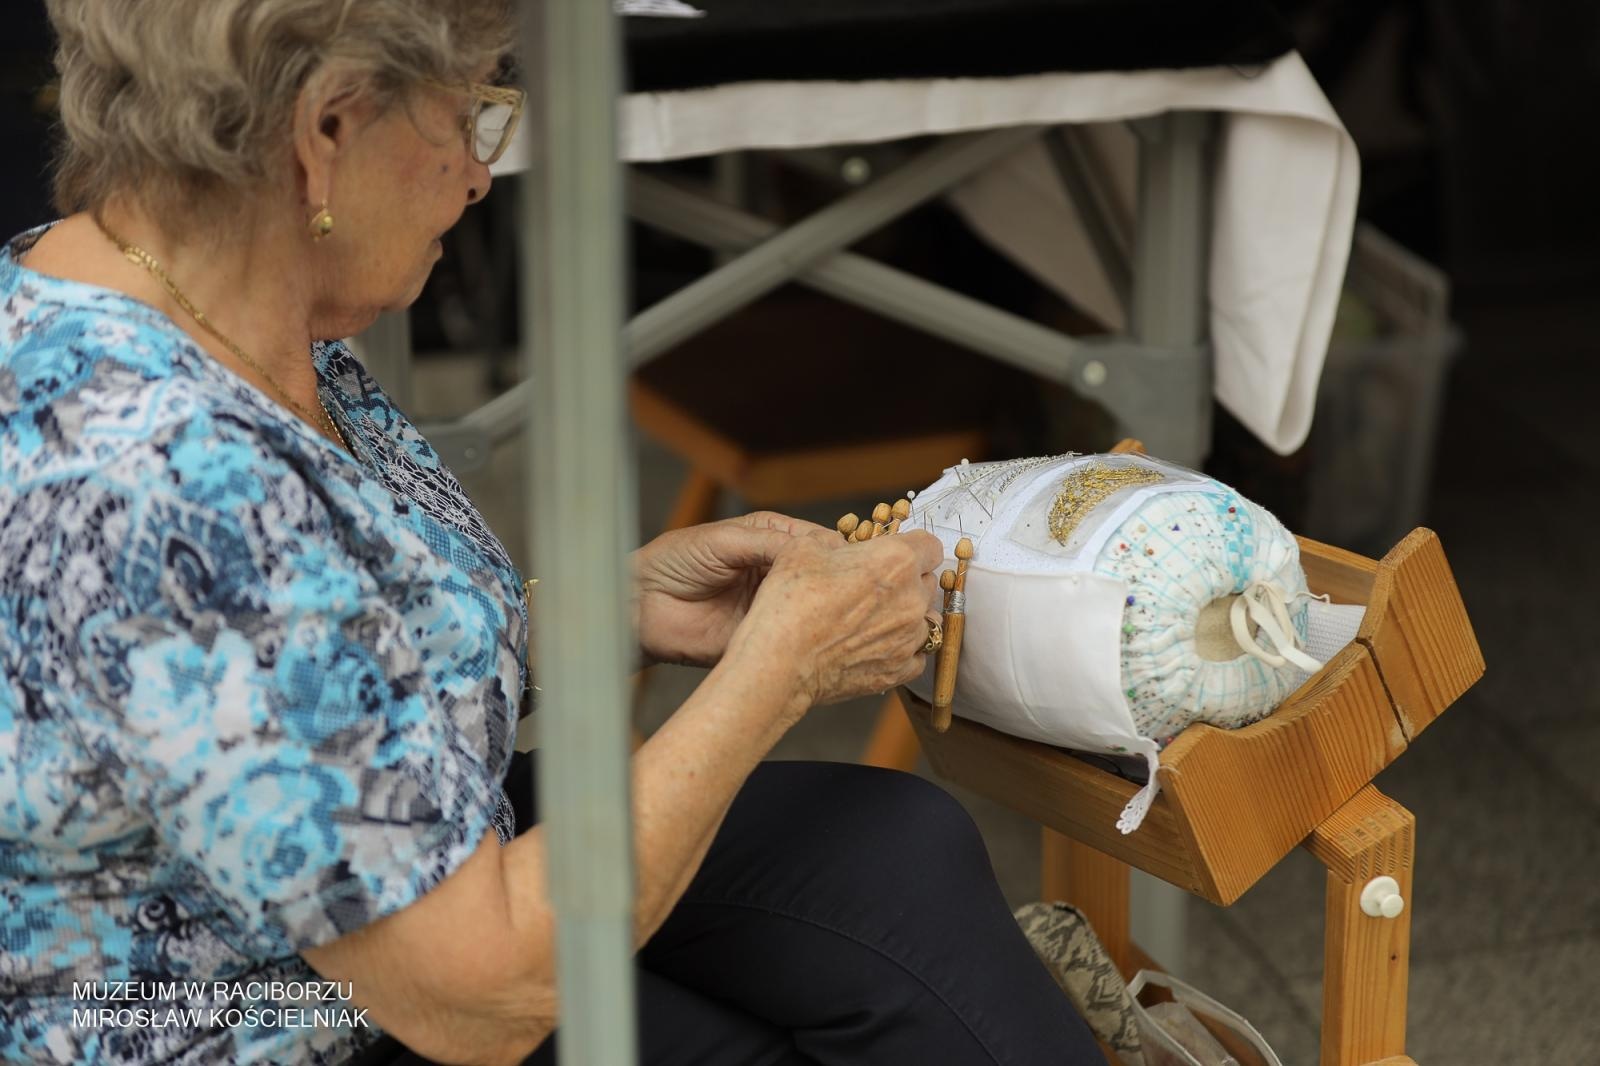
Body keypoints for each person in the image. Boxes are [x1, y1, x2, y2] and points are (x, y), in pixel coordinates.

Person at [0, 2, 1103, 1064]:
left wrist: (586, 616)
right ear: (325, 129)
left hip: (351, 887)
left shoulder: (193, 283)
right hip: (244, 1002)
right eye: (468, 115)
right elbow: (476, 999)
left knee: (889, 854)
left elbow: (289, 674)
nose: (481, 174)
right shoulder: (162, 470)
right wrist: (783, 670)